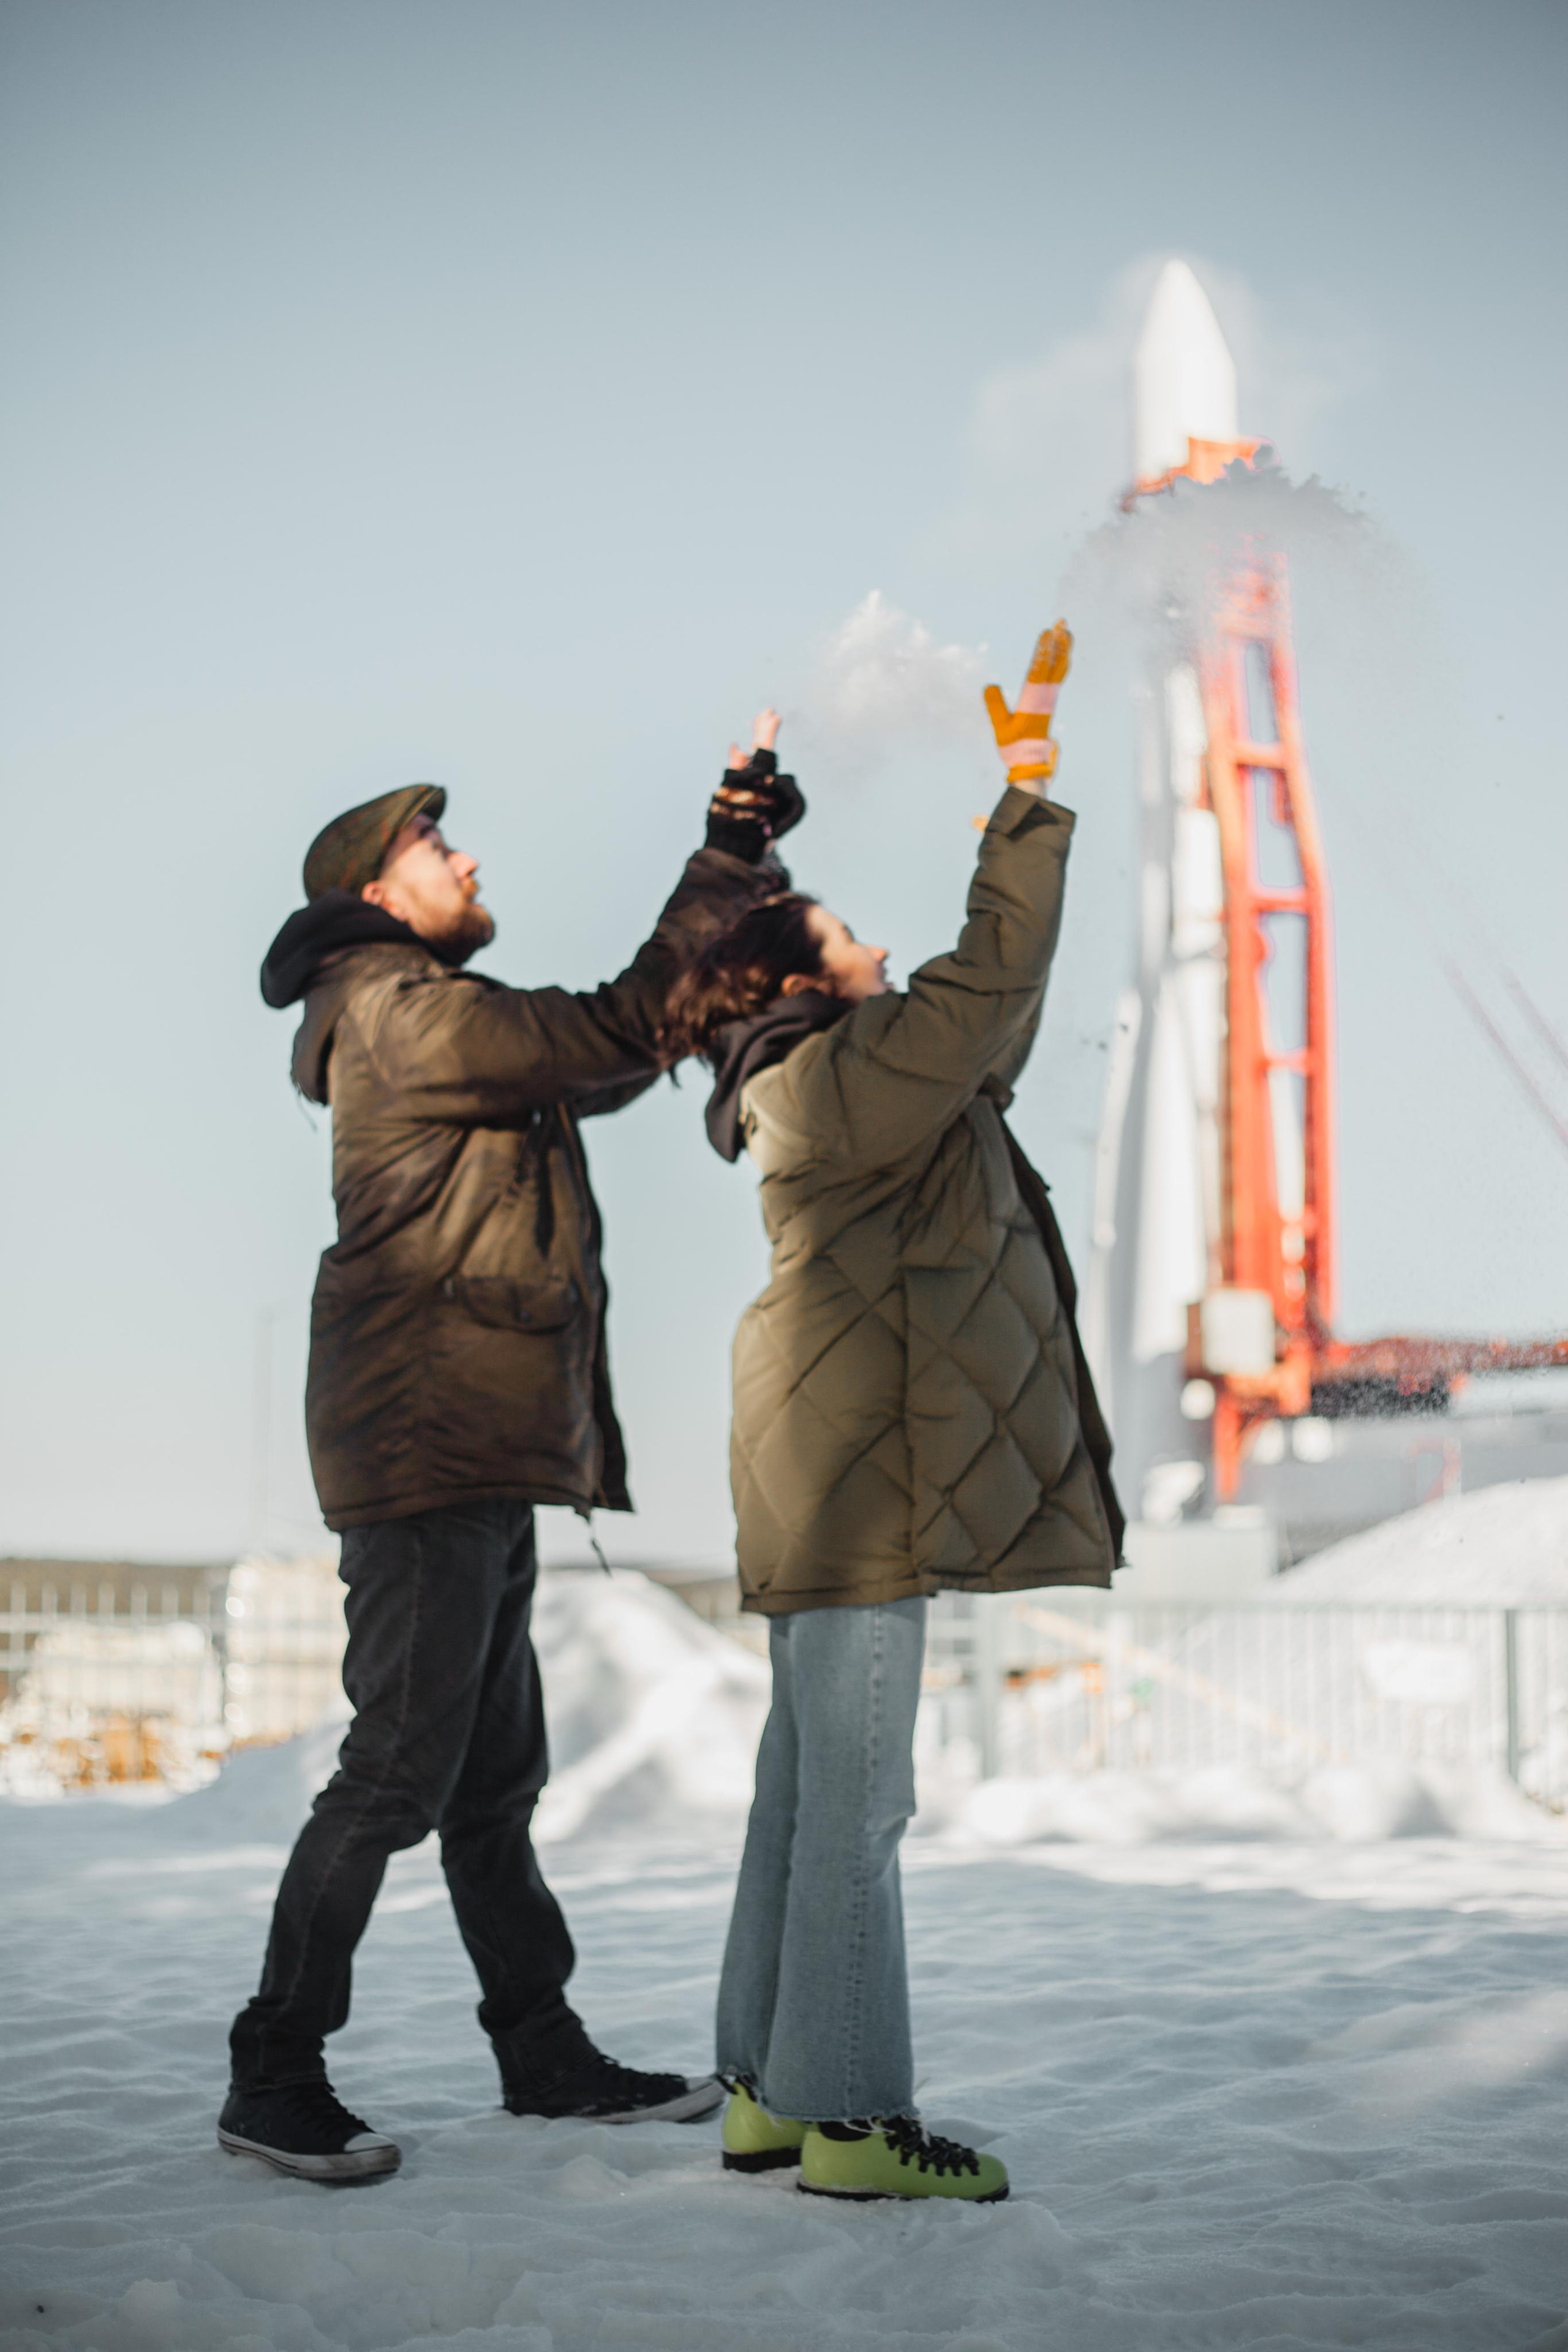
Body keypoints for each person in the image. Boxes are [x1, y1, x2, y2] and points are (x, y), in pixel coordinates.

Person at [221, 728, 804, 2183]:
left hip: (470, 1447)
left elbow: (617, 1052)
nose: (466, 857)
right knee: (394, 1776)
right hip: (430, 1452)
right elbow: (615, 1027)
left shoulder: (426, 1016)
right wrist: (724, 856)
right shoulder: (403, 1011)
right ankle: (273, 2070)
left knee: (488, 1786)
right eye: (435, 845)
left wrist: (740, 882)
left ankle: (539, 2052)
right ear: (375, 889)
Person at [660, 627, 1124, 2204]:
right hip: (861, 1484)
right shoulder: (835, 1077)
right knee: (859, 1808)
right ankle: (855, 2123)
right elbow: (987, 980)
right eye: (848, 932)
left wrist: (739, 835)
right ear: (802, 983)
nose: (873, 946)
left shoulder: (828, 1085)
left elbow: (980, 1030)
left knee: (800, 1796)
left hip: (826, 1470)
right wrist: (1025, 791)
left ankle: (765, 2094)